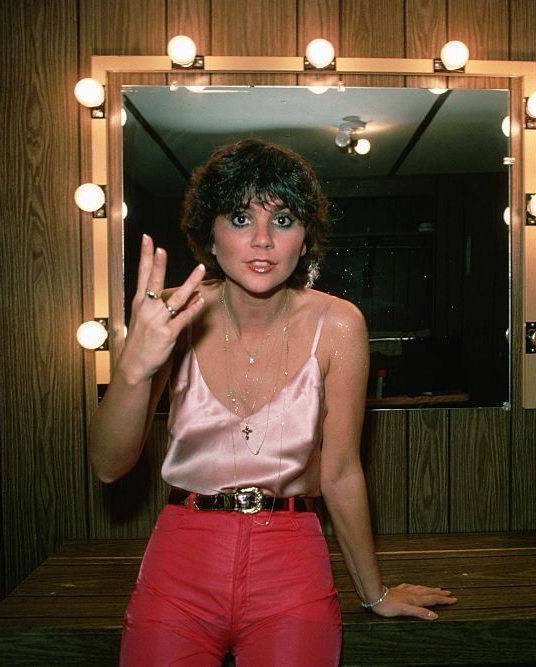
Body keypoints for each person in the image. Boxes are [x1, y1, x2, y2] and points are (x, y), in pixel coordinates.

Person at [88, 138, 456, 666]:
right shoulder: (170, 314)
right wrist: (133, 369)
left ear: (305, 239)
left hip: (292, 561)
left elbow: (342, 472)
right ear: (208, 236)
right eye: (240, 218)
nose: (262, 241)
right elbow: (108, 466)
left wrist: (374, 594)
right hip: (180, 559)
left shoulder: (340, 323)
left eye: (282, 221)